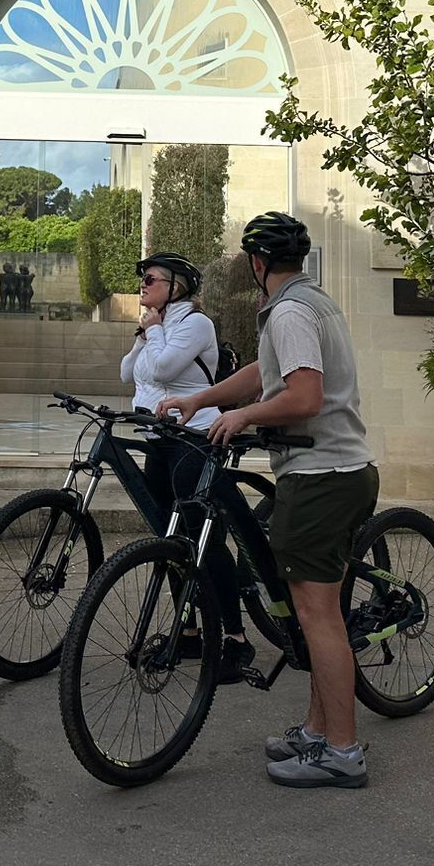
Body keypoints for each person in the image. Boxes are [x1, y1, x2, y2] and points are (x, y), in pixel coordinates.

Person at [157, 212, 376, 791]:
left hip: (321, 474)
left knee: (316, 615)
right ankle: (317, 728)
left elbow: (303, 395)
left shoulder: (292, 311)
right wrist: (201, 398)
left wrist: (243, 416)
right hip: (331, 471)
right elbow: (265, 371)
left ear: (256, 265)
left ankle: (344, 751)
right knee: (308, 611)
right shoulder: (308, 304)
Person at [122, 252, 252, 682]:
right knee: (172, 538)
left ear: (177, 286)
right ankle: (191, 630)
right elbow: (130, 373)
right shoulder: (157, 327)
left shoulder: (196, 324)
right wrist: (144, 335)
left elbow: (163, 368)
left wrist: (154, 331)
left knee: (203, 541)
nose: (143, 285)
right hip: (159, 438)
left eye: (152, 279)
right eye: (142, 279)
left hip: (194, 439)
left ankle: (235, 638)